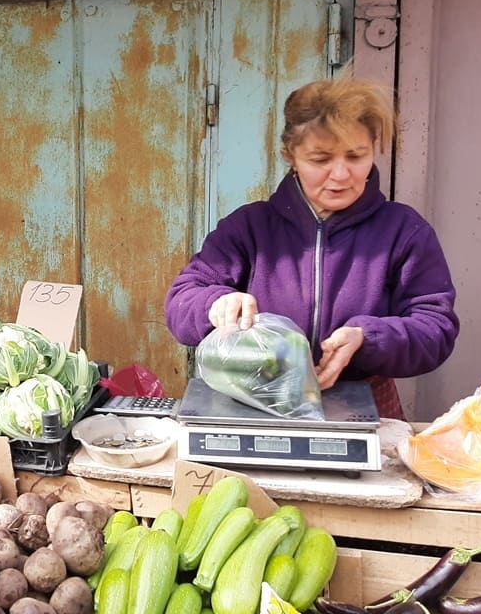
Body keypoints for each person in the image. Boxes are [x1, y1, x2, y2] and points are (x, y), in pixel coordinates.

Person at [164, 75, 459, 419]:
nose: (340, 174)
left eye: (355, 156)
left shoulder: (403, 231)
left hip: (363, 403)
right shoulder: (250, 228)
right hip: (254, 402)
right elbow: (181, 301)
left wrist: (368, 338)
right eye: (320, 159)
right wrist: (215, 302)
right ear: (290, 155)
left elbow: (435, 328)